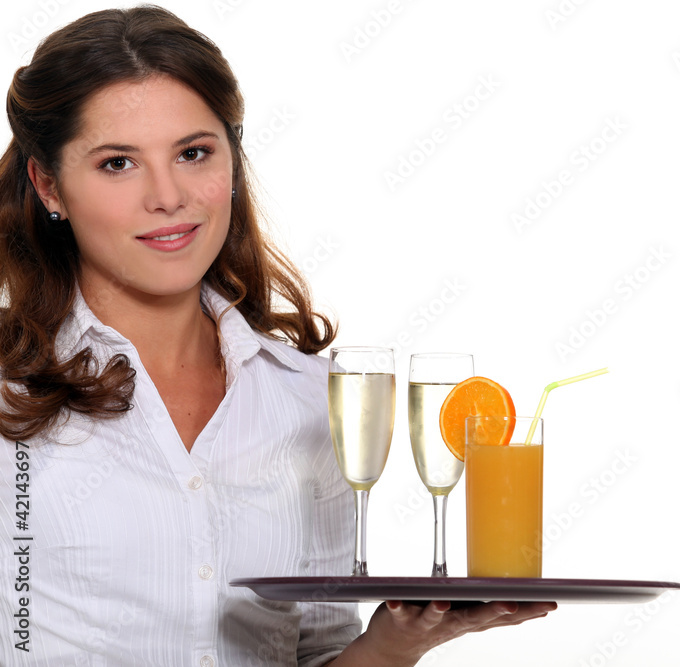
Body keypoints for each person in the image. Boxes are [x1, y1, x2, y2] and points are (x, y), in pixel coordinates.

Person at [0, 6, 554, 665]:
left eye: (193, 153)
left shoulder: (311, 400)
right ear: (48, 185)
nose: (168, 196)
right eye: (118, 163)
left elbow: (316, 651)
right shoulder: (9, 391)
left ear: (232, 161)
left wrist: (392, 645)